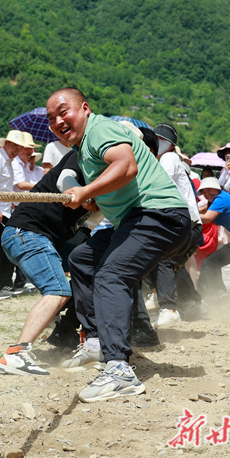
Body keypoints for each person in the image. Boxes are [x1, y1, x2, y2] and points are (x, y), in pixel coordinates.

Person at [47, 88, 191, 403]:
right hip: (135, 219)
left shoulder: (100, 129)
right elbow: (109, 191)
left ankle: (118, 370)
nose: (58, 121)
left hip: (159, 215)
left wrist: (84, 192)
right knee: (84, 259)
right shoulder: (85, 147)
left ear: (84, 108)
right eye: (51, 118)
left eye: (63, 111)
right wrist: (88, 199)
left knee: (112, 275)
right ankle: (98, 340)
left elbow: (126, 166)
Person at [0, 149, 91, 375]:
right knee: (58, 290)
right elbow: (63, 182)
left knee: (94, 267)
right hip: (27, 233)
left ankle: (77, 335)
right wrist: (89, 197)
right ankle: (16, 354)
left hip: (44, 237)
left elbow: (95, 218)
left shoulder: (107, 175)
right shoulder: (84, 153)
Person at [150, 123, 202, 326]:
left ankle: (169, 308)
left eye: (159, 140)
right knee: (170, 263)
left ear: (170, 145)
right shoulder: (168, 159)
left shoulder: (169, 158)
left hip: (186, 223)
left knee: (163, 259)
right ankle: (192, 304)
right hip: (188, 223)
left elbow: (159, 183)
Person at [0, 130, 30, 300]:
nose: (17, 149)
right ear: (6, 143)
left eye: (20, 147)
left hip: (5, 209)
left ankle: (2, 284)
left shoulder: (8, 160)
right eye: (15, 145)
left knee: (4, 248)